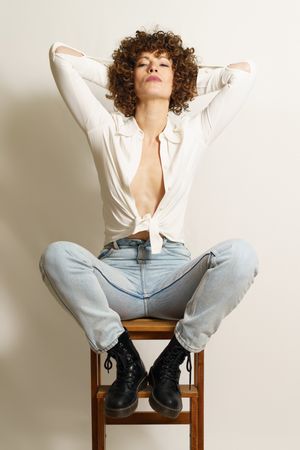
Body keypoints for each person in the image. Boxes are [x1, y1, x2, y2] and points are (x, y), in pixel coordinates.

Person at [39, 28, 259, 420]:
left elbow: (242, 74)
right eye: (143, 64)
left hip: (172, 275)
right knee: (56, 256)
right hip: (116, 276)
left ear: (180, 77)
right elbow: (60, 57)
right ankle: (124, 356)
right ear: (128, 77)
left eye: (163, 63)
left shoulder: (193, 133)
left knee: (241, 255)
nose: (153, 67)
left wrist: (183, 74)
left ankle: (171, 361)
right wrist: (126, 69)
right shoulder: (104, 129)